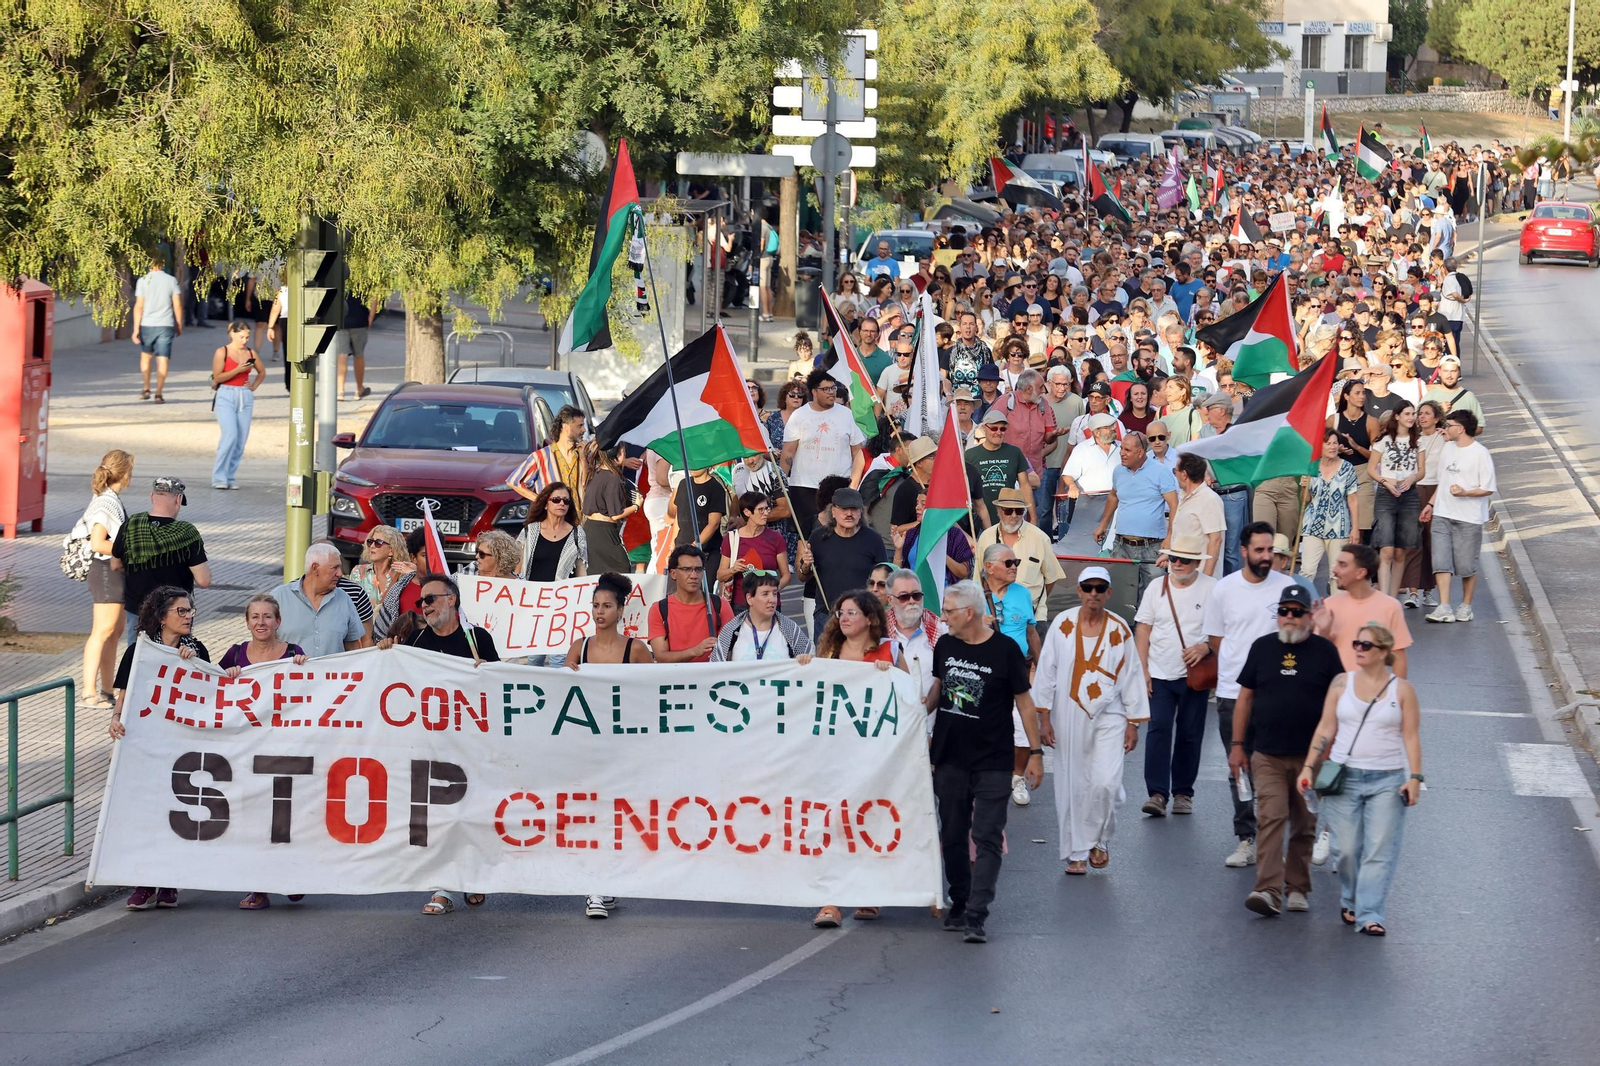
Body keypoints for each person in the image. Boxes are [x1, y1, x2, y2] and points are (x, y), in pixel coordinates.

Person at [927, 581, 1044, 943]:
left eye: (948, 611)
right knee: (952, 834)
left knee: (987, 836)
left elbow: (1024, 703)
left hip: (993, 758)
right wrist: (913, 713)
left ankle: (977, 913)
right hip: (949, 757)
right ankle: (960, 900)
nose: (943, 617)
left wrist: (1036, 754)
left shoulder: (1005, 650)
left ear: (969, 613)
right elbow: (938, 687)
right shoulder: (945, 645)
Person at [1297, 624, 1423, 935]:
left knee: (1379, 848)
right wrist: (1309, 766)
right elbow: (1326, 727)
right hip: (1344, 775)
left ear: (1384, 652)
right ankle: (1351, 900)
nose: (1358, 649)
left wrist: (1415, 777)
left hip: (1388, 778)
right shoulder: (1342, 683)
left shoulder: (1402, 690)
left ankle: (1370, 913)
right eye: (1357, 643)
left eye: (1366, 645)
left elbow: (1411, 736)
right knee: (1346, 849)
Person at [1229, 584, 1344, 917]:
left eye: (1296, 612)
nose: (1289, 617)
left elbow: (1340, 701)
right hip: (1267, 754)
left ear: (1309, 616)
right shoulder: (1262, 647)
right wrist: (1237, 746)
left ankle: (1297, 887)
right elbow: (1244, 699)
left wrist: (1333, 750)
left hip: (1311, 758)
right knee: (1271, 817)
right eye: (1283, 611)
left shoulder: (1326, 651)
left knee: (1304, 824)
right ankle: (1266, 890)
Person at [1032, 566, 1149, 875]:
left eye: (1100, 588)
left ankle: (1099, 838)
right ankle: (1077, 853)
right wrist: (1044, 719)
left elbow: (1132, 675)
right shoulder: (1062, 624)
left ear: (1109, 593)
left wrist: (1134, 723)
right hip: (1068, 713)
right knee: (1072, 783)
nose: (1093, 593)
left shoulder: (1120, 629)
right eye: (1088, 587)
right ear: (1079, 591)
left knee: (1106, 783)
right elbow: (1046, 672)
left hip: (1111, 715)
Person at [401, 573, 498, 915]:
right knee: (440, 815)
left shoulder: (477, 639)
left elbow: (499, 686)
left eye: (430, 599)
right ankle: (442, 888)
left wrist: (487, 672)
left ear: (451, 600)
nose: (424, 606)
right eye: (421, 602)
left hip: (472, 743)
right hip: (433, 744)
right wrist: (386, 653)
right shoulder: (415, 641)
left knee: (471, 813)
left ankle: (472, 876)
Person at [107, 585, 210, 910]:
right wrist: (115, 719)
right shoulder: (140, 651)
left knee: (175, 814)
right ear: (162, 617)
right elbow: (125, 696)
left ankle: (169, 882)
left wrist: (194, 666)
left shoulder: (197, 650)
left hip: (181, 747)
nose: (188, 616)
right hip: (146, 746)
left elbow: (211, 694)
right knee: (147, 814)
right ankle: (144, 883)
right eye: (181, 611)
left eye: (190, 610)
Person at [1203, 522, 1293, 868]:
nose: (1267, 556)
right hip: (1232, 693)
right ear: (1243, 551)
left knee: (1276, 771)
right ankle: (1246, 838)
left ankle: (1272, 839)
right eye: (1260, 550)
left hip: (1278, 695)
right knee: (1239, 767)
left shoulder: (1287, 588)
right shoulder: (1224, 589)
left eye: (1271, 550)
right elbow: (1216, 639)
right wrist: (1239, 670)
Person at [808, 587, 898, 929]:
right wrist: (805, 668)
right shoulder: (829, 652)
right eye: (840, 613)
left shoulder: (890, 651)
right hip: (834, 751)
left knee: (868, 821)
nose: (843, 618)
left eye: (851, 613)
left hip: (874, 754)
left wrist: (891, 675)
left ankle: (867, 892)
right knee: (832, 822)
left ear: (870, 618)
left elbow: (905, 698)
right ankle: (830, 901)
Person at [219, 593, 310, 910]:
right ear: (247, 623)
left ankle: (292, 878)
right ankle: (258, 888)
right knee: (254, 823)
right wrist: (226, 677)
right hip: (247, 755)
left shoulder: (294, 653)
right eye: (255, 617)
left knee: (287, 820)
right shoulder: (234, 655)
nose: (261, 622)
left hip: (286, 751)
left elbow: (311, 695)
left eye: (267, 616)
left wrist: (305, 671)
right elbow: (209, 691)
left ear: (278, 621)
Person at [1133, 535, 1217, 817]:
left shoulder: (1211, 588)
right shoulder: (1156, 587)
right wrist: (1142, 669)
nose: (1177, 564)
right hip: (1159, 673)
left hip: (1195, 674)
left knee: (1190, 734)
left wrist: (1205, 647)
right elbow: (1143, 628)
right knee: (1158, 730)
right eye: (1173, 558)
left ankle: (1183, 793)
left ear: (1197, 563)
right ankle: (1157, 793)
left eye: (1185, 560)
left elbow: (1222, 630)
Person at [979, 541, 1042, 805]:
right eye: (1008, 563)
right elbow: (953, 630)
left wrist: (1042, 667)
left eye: (1016, 562)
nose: (1014, 567)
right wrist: (976, 623)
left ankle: (1017, 778)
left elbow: (1031, 633)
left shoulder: (1022, 594)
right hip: (983, 672)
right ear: (989, 567)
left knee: (1023, 727)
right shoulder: (972, 594)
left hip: (1017, 671)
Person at [112, 476, 211, 636]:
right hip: (175, 611)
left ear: (152, 497)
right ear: (178, 499)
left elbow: (115, 564)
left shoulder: (131, 526)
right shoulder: (186, 533)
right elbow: (203, 580)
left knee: (137, 651)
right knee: (173, 652)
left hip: (138, 609)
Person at [1422, 409, 1495, 623]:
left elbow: (1488, 488)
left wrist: (1465, 493)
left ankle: (1465, 606)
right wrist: (1431, 504)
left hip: (1469, 517)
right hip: (1442, 513)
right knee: (1440, 561)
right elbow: (1443, 481)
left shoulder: (1480, 453)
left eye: (1449, 425)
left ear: (1461, 429)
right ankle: (1444, 606)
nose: (1446, 428)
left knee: (1465, 566)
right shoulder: (1448, 448)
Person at [780, 369, 867, 537]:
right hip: (804, 486)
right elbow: (788, 453)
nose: (831, 392)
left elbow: (858, 453)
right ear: (814, 391)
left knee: (838, 534)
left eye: (833, 388)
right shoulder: (799, 415)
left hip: (839, 485)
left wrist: (853, 485)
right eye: (826, 389)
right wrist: (781, 486)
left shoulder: (847, 414)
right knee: (805, 536)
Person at [78, 450, 134, 709]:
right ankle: (89, 691)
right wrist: (130, 550)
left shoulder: (111, 499)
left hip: (115, 571)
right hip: (104, 570)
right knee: (102, 631)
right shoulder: (105, 503)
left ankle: (106, 690)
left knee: (114, 632)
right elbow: (97, 542)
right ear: (125, 473)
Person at [1096, 431, 1178, 604]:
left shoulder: (1160, 472)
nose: (1122, 453)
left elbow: (1174, 505)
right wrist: (1103, 524)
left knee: (1153, 598)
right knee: (1119, 596)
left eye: (1127, 450)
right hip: (1121, 545)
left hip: (1152, 546)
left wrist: (1170, 537)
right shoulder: (1118, 471)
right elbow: (1113, 496)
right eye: (1121, 449)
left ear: (1140, 453)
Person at [796, 487, 888, 639]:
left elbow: (884, 576)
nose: (849, 514)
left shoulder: (873, 539)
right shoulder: (818, 537)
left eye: (854, 509)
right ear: (833, 511)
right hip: (827, 615)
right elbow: (802, 577)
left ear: (861, 512)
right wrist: (805, 565)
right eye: (844, 509)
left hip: (863, 615)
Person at [1315, 543, 1414, 678]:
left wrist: (1398, 689)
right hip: (1336, 687)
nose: (1335, 570)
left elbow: (1398, 656)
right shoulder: (1328, 605)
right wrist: (1323, 632)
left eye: (1342, 565)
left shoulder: (1390, 606)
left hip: (1373, 689)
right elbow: (1317, 655)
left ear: (1360, 573)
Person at [975, 487, 1064, 627]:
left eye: (1019, 511)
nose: (1014, 515)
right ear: (998, 511)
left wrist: (1032, 602)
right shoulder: (986, 537)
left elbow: (1051, 577)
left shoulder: (1040, 538)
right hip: (994, 619)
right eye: (1008, 511)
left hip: (1032, 617)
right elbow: (978, 579)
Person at [1369, 402, 1424, 599]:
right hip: (1386, 494)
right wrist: (1385, 482)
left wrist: (1413, 478)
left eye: (1413, 414)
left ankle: (1393, 599)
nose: (1411, 417)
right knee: (1386, 549)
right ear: (1397, 416)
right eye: (1407, 414)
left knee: (1401, 552)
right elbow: (1371, 468)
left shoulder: (1418, 441)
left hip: (1409, 496)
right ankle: (1384, 597)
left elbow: (1422, 471)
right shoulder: (1383, 440)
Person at [270, 543, 364, 658]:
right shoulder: (279, 597)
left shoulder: (344, 599)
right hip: (289, 670)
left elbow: (353, 649)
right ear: (315, 568)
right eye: (334, 568)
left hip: (332, 670)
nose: (340, 573)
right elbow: (263, 644)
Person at [648, 544, 733, 664]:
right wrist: (694, 651)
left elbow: (730, 651)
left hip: (713, 674)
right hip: (675, 675)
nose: (694, 576)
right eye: (686, 569)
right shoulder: (659, 609)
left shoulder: (720, 605)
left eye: (698, 569)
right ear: (673, 573)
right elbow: (661, 656)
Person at [1299, 429, 1359, 597]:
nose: (1332, 447)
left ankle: (1337, 609)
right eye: (1328, 443)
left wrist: (1355, 528)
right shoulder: (1311, 467)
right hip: (1312, 525)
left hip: (1339, 526)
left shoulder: (1347, 468)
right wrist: (1304, 486)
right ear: (1320, 446)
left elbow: (1353, 500)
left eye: (1335, 443)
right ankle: (1302, 606)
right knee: (1307, 570)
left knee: (1336, 573)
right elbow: (1306, 499)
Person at [208, 321, 266, 490]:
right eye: (241, 337)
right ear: (232, 334)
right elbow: (217, 377)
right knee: (230, 435)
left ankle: (230, 476)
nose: (244, 340)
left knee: (241, 440)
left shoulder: (250, 352)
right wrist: (238, 370)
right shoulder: (222, 352)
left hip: (245, 396)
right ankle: (219, 477)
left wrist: (253, 386)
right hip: (226, 394)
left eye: (247, 337)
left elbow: (262, 372)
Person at [711, 569, 813, 662]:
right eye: (765, 594)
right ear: (749, 598)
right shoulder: (731, 631)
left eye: (774, 593)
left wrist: (805, 661)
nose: (772, 600)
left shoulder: (790, 629)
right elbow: (715, 668)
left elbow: (812, 663)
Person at [716, 492, 792, 610]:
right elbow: (720, 575)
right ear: (747, 512)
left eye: (767, 508)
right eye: (761, 510)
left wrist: (773, 590)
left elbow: (786, 574)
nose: (766, 513)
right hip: (741, 605)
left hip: (769, 605)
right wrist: (733, 569)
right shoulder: (732, 539)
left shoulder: (775, 537)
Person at [966, 410, 1038, 525]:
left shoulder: (1014, 453)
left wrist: (1033, 518)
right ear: (984, 428)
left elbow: (1025, 486)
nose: (998, 432)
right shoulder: (970, 455)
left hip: (1009, 517)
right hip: (979, 519)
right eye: (994, 428)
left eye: (1002, 429)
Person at [1329, 379, 1380, 542]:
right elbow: (1322, 448)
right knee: (1339, 523)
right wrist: (1337, 450)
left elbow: (1377, 456)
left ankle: (1358, 555)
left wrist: (1357, 447)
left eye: (1363, 393)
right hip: (1338, 474)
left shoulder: (1371, 422)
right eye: (1357, 393)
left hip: (1362, 475)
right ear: (1346, 396)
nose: (1362, 396)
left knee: (1361, 526)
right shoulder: (1333, 420)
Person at [132, 251, 183, 403]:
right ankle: (159, 393)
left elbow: (139, 306)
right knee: (163, 359)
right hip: (166, 324)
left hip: (147, 324)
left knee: (146, 357)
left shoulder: (142, 281)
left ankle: (146, 388)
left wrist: (136, 329)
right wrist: (179, 324)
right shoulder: (172, 280)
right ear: (163, 263)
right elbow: (177, 305)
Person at [582, 443, 639, 575]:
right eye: (624, 453)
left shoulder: (595, 473)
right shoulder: (613, 479)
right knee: (621, 569)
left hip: (589, 529)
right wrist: (636, 506)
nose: (625, 456)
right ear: (617, 455)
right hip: (604, 532)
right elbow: (615, 514)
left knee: (595, 574)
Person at [517, 481, 589, 583]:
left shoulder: (577, 533)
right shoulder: (529, 531)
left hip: (563, 592)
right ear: (546, 504)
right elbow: (518, 568)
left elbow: (581, 571)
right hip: (532, 591)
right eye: (556, 500)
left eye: (566, 501)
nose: (562, 503)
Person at [1169, 453, 1225, 577]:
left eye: (1175, 471)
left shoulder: (1209, 499)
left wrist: (1206, 577)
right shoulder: (1183, 497)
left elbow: (1216, 540)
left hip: (1200, 576)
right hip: (1180, 575)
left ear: (1184, 474)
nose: (1175, 475)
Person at [669, 466, 730, 560]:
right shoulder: (683, 484)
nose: (693, 466)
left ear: (707, 465)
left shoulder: (715, 487)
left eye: (697, 462)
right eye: (691, 462)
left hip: (707, 550)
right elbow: (679, 516)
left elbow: (713, 524)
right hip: (681, 547)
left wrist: (694, 546)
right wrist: (673, 544)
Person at [352, 525, 413, 607]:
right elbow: (351, 605)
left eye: (378, 543)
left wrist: (414, 574)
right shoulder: (358, 572)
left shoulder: (402, 574)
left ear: (391, 550)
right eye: (370, 541)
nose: (372, 546)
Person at [335, 292, 374, 400]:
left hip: (342, 320)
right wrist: (371, 316)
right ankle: (359, 389)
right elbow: (374, 296)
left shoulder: (341, 280)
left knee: (342, 355)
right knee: (359, 355)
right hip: (360, 320)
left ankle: (340, 391)